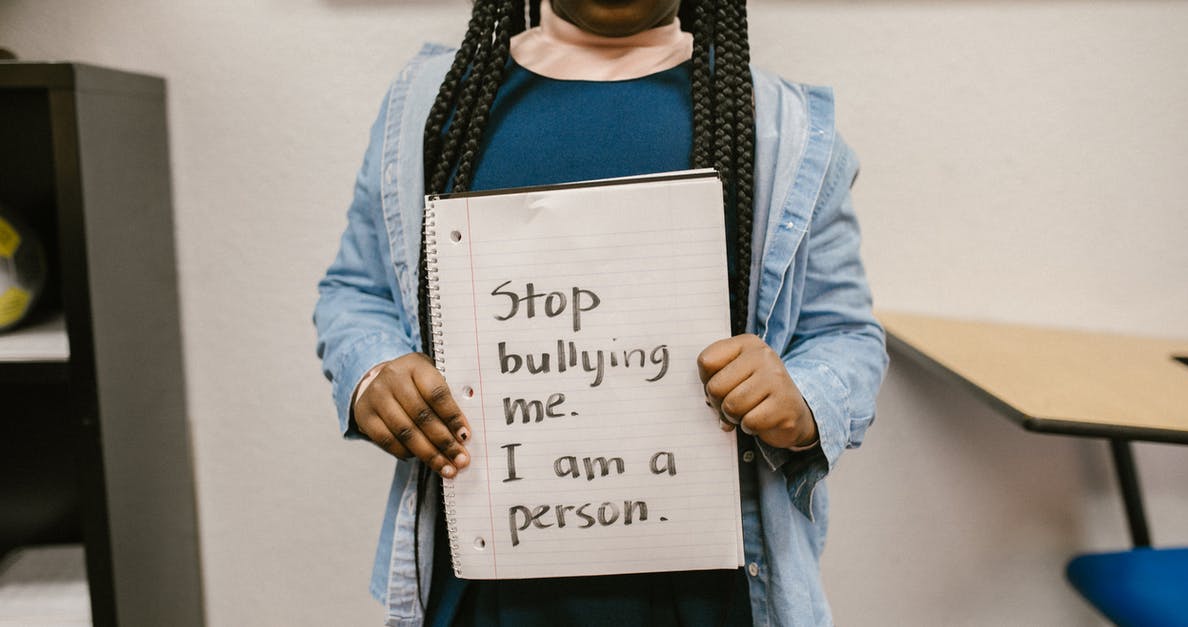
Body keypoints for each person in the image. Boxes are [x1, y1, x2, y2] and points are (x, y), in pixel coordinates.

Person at [314, 1, 888, 625]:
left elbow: (845, 333)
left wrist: (802, 399)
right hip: (486, 589)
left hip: (703, 596)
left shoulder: (783, 129)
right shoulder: (431, 107)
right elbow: (356, 289)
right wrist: (373, 372)